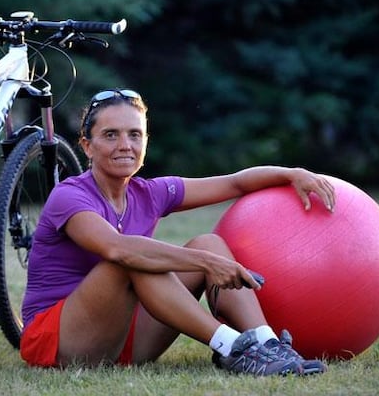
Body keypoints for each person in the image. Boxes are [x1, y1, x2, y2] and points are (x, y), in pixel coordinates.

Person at [19, 89, 336, 376]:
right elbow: (118, 249)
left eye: (135, 135)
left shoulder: (151, 192)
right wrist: (204, 263)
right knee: (133, 257)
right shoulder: (70, 195)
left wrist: (292, 173)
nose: (125, 145)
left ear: (145, 142)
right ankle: (233, 347)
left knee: (209, 243)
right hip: (57, 341)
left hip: (123, 341)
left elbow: (235, 183)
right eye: (111, 135)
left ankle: (266, 345)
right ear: (87, 146)